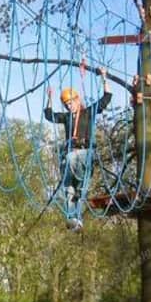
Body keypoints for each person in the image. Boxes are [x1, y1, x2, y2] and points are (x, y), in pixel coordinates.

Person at [45, 68, 112, 230]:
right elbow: (49, 115)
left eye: (71, 103)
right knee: (69, 190)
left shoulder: (88, 112)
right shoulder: (67, 117)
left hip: (84, 152)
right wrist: (50, 98)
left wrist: (104, 77)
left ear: (77, 100)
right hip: (71, 151)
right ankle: (73, 219)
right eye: (66, 104)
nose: (69, 106)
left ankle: (79, 189)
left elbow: (106, 98)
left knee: (72, 160)